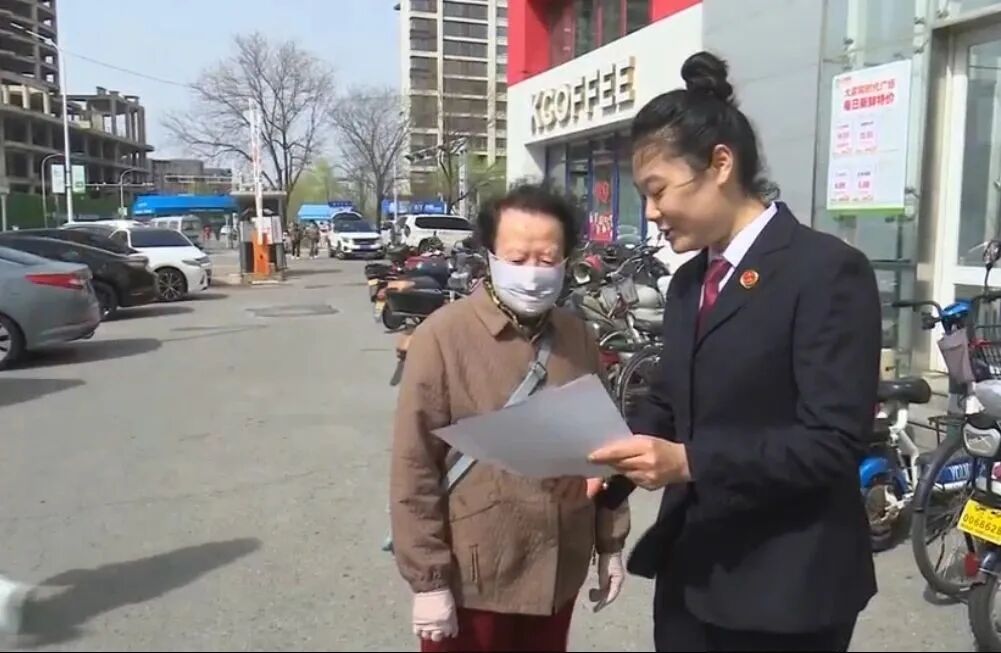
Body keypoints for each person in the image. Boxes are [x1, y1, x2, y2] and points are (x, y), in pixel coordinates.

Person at [588, 51, 880, 652]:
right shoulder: (690, 281)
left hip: (787, 587)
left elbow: (832, 442)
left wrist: (690, 463)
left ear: (720, 164)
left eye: (658, 191)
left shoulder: (825, 271)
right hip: (692, 575)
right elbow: (671, 398)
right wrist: (610, 464)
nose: (651, 212)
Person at [390, 183, 631, 653]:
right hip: (474, 575)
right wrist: (429, 580)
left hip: (558, 569)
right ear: (491, 256)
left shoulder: (578, 337)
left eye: (547, 259)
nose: (533, 273)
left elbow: (605, 452)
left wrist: (610, 543)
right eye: (518, 258)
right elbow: (414, 465)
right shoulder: (443, 337)